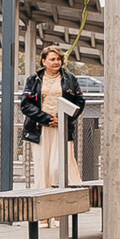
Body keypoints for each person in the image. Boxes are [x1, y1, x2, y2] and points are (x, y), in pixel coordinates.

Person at [20, 46, 88, 188]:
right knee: (42, 168)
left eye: (58, 59)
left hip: (62, 128)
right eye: (52, 59)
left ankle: (67, 197)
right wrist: (46, 119)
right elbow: (26, 104)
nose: (56, 62)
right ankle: (44, 200)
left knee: (59, 167)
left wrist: (65, 119)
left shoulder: (70, 79)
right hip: (40, 130)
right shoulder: (34, 80)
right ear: (44, 61)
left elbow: (79, 101)